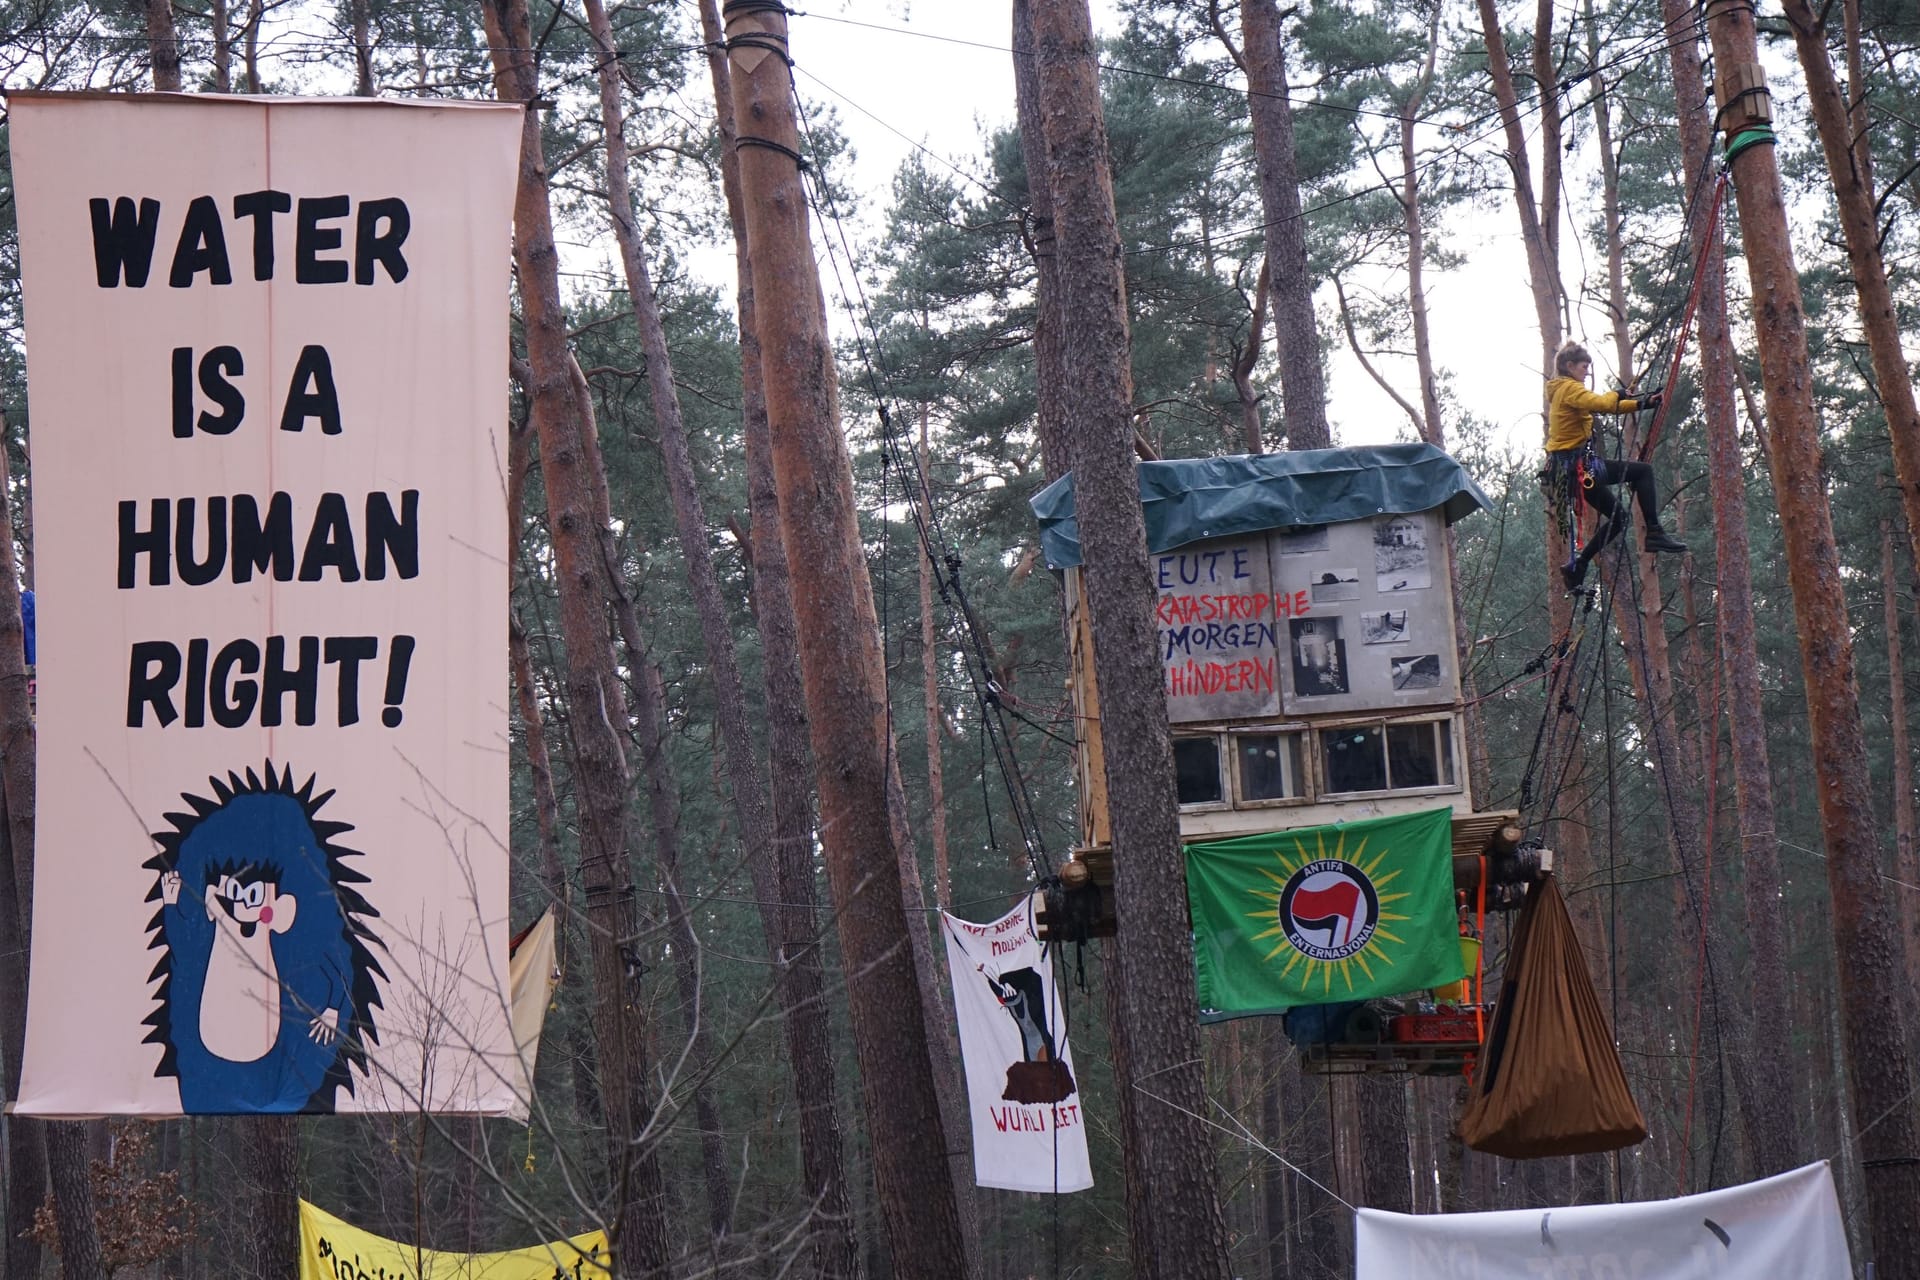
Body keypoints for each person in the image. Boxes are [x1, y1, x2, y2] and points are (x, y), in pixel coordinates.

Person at [1546, 342, 1686, 590]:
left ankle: (1578, 565)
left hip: (1575, 471)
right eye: (1583, 366)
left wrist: (1643, 403)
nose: (1587, 371)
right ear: (1569, 366)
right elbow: (1604, 403)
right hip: (1579, 469)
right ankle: (1654, 531)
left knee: (1619, 518)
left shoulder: (1566, 390)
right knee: (1643, 471)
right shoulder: (1568, 389)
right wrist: (1618, 395)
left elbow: (1610, 405)